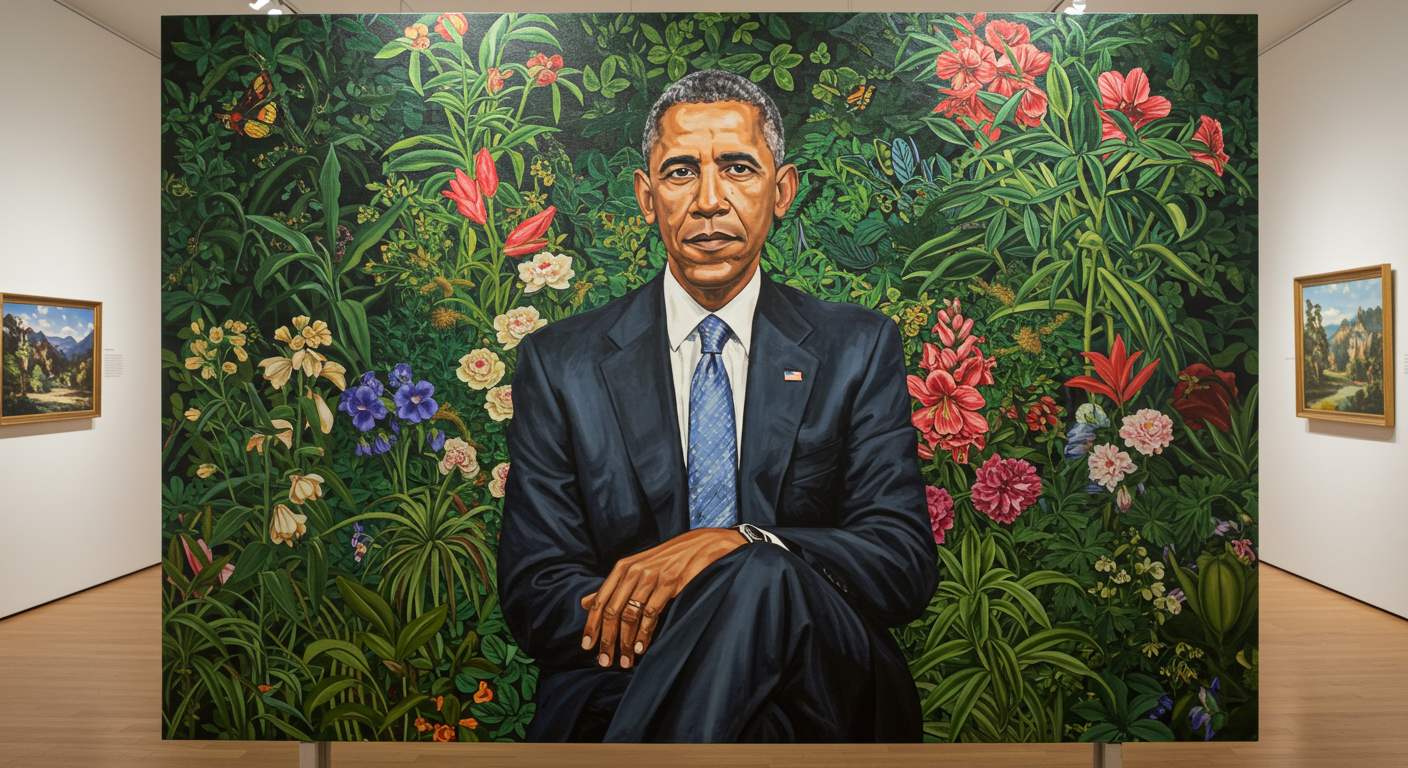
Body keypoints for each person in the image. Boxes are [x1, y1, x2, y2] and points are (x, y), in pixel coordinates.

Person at [499, 69, 937, 743]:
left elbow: (900, 564)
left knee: (761, 569)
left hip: (821, 681)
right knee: (752, 649)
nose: (709, 201)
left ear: (781, 191)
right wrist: (715, 615)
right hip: (624, 687)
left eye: (737, 168)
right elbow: (537, 592)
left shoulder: (857, 348)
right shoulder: (561, 364)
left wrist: (740, 545)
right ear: (647, 197)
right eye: (681, 172)